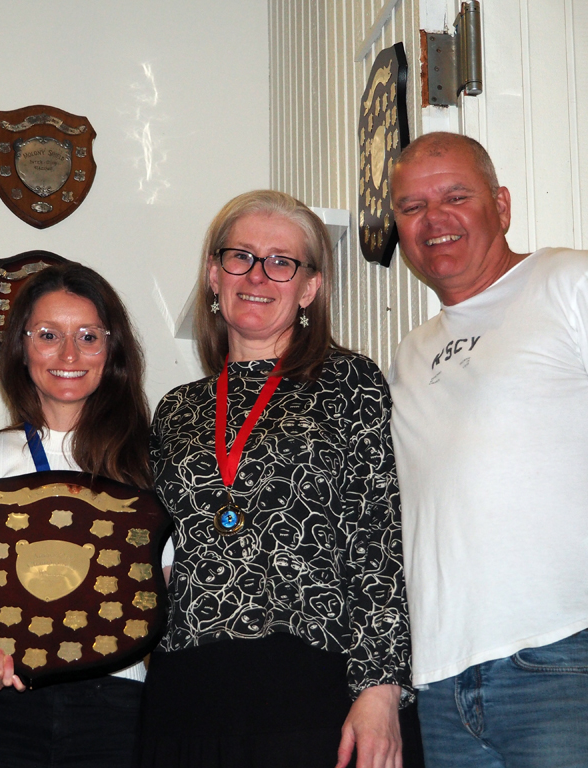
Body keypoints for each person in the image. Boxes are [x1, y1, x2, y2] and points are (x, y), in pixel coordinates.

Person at [139, 190, 413, 768]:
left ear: (310, 286)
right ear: (214, 275)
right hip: (187, 686)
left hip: (309, 683)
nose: (257, 275)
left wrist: (381, 688)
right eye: (240, 256)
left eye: (281, 261)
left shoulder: (348, 382)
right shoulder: (177, 409)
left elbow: (377, 538)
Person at [388, 132, 588, 766]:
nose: (433, 219)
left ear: (500, 205)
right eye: (412, 206)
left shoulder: (567, 281)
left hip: (562, 654)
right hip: (443, 682)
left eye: (455, 195)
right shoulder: (411, 353)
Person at [0, 262, 154, 768]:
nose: (68, 355)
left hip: (116, 706)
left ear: (112, 349)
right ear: (21, 347)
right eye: (47, 335)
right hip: (2, 706)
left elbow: (160, 588)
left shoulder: (148, 464)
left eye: (88, 336)